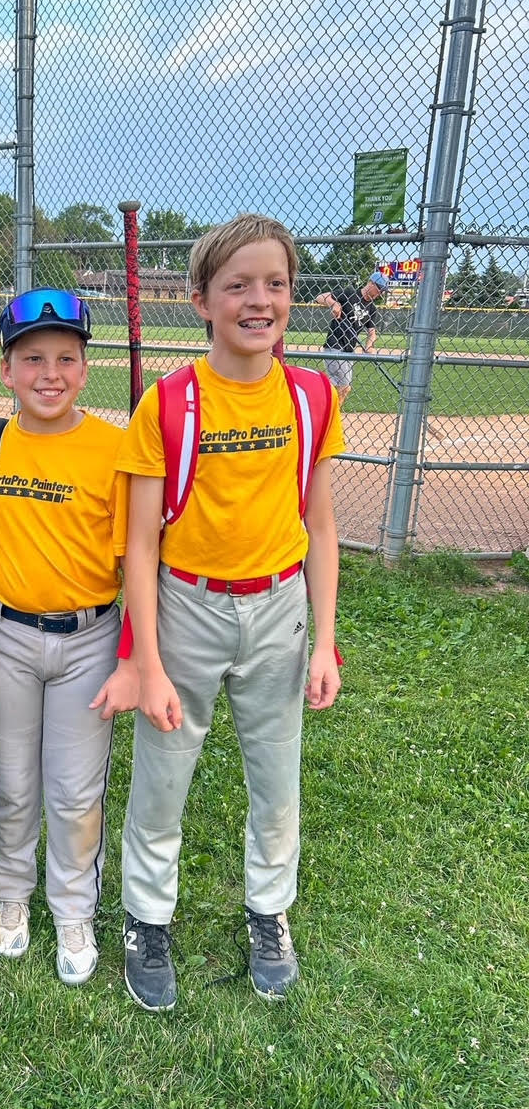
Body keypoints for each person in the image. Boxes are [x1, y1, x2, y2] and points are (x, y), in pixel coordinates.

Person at [116, 214, 345, 1011]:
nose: (260, 300)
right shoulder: (171, 402)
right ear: (201, 300)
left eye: (275, 284)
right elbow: (140, 546)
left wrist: (326, 640)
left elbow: (318, 525)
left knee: (277, 780)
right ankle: (147, 920)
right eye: (238, 285)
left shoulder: (311, 396)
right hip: (188, 608)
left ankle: (268, 911)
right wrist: (146, 659)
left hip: (279, 607)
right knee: (163, 779)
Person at [0, 288, 136, 987]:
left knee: (75, 791)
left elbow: (136, 561)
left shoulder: (115, 449)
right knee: (13, 783)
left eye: (66, 358)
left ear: (86, 371)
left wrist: (133, 654)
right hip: (2, 634)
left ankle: (73, 909)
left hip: (89, 638)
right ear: (6, 370)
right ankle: (13, 898)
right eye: (32, 360)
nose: (49, 373)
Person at [314, 270, 389, 404]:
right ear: (370, 283)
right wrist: (335, 304)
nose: (380, 293)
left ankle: (321, 403)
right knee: (345, 387)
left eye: (383, 291)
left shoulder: (372, 308)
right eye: (379, 289)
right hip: (334, 344)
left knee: (336, 385)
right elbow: (320, 297)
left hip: (349, 349)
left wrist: (369, 346)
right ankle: (333, 415)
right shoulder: (349, 293)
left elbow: (372, 332)